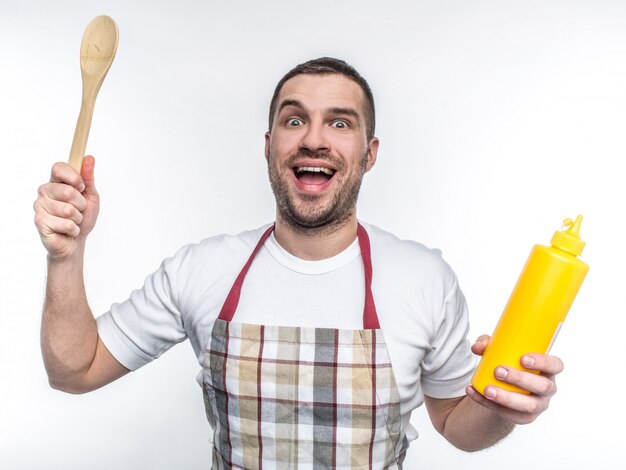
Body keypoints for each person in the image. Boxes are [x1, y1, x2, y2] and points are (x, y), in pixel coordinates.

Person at [34, 57, 564, 468]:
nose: (314, 139)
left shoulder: (424, 279)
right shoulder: (201, 270)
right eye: (295, 119)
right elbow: (74, 369)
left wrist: (498, 406)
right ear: (269, 146)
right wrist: (66, 254)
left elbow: (455, 424)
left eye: (339, 122)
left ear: (369, 152)